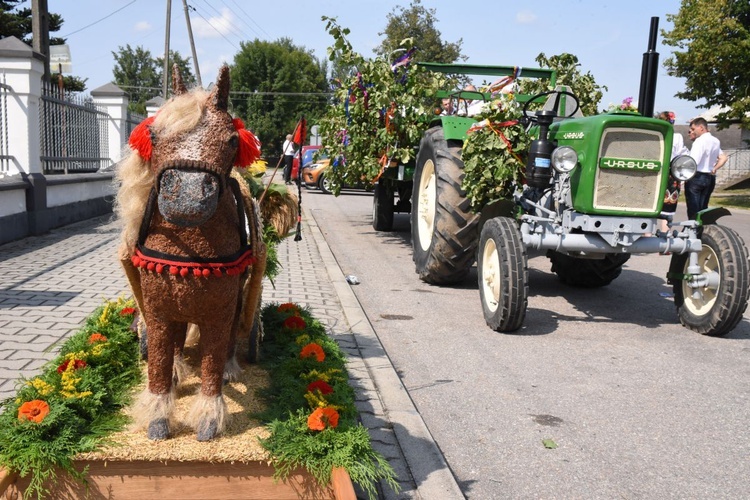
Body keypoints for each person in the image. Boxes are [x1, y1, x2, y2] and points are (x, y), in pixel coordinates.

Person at [685, 117, 728, 220]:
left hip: (697, 176)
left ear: (701, 127)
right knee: (703, 208)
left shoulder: (699, 141)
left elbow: (694, 161)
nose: (693, 132)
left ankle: (694, 230)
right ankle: (703, 229)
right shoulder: (715, 141)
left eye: (694, 129)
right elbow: (723, 157)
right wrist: (714, 168)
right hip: (709, 176)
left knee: (693, 209)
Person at [656, 111, 689, 231]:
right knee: (667, 210)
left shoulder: (655, 134)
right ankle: (664, 239)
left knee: (650, 204)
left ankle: (646, 234)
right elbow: (680, 155)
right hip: (671, 173)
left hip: (655, 170)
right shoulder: (677, 137)